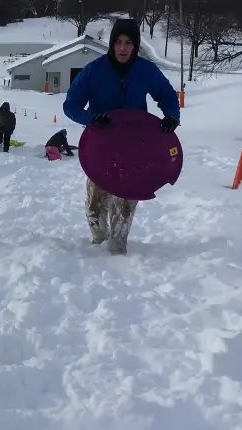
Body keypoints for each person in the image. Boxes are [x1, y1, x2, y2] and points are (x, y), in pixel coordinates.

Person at [63, 18, 180, 254]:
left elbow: (167, 96)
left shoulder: (146, 71)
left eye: (128, 43)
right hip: (101, 149)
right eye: (118, 42)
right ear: (111, 44)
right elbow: (71, 105)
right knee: (95, 207)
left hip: (135, 149)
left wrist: (171, 116)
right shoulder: (93, 71)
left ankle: (117, 253)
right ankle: (98, 245)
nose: (123, 48)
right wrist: (91, 119)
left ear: (135, 46)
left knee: (125, 205)